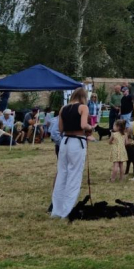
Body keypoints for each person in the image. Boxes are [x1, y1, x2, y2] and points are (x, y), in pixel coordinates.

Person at [50, 87, 91, 218]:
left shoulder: (63, 108)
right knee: (74, 175)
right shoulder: (83, 108)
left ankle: (56, 210)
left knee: (62, 174)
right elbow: (84, 125)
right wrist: (91, 128)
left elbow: (60, 128)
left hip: (65, 142)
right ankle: (66, 210)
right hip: (77, 142)